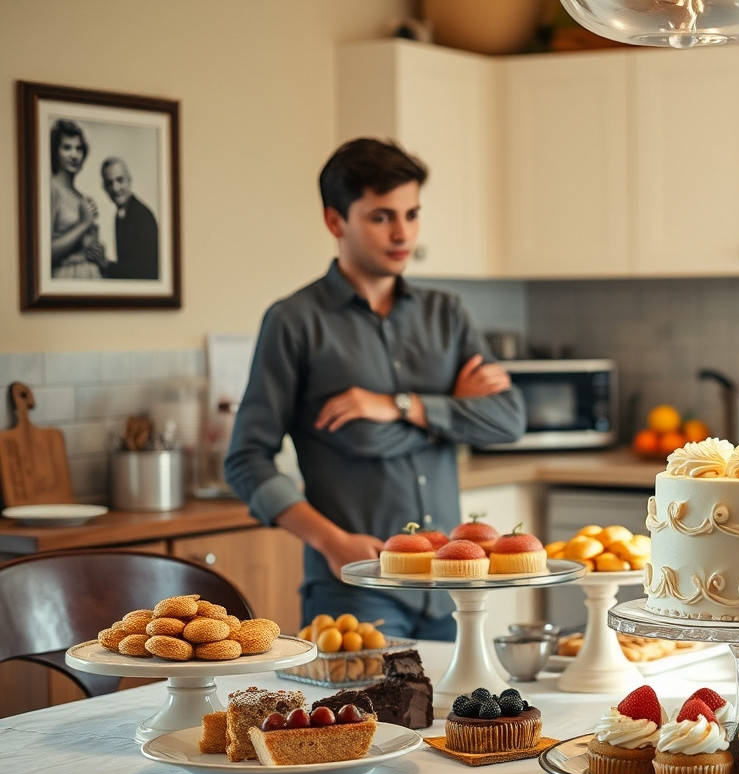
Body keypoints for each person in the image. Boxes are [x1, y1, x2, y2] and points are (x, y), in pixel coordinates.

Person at [225, 138, 526, 639]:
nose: (401, 232)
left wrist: (397, 407)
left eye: (412, 214)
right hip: (355, 588)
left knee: (460, 719)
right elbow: (245, 459)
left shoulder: (446, 314)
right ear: (335, 221)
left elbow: (508, 419)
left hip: (451, 591)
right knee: (357, 721)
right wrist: (332, 540)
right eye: (381, 216)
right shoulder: (293, 321)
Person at [48, 119, 105, 281]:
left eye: (79, 149)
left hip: (91, 278)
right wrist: (84, 224)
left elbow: (87, 248)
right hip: (66, 278)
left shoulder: (82, 197)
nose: (74, 155)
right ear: (55, 151)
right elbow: (44, 253)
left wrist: (100, 255)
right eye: (67, 147)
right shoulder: (51, 190)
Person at [99, 157, 160, 280]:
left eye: (120, 180)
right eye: (109, 183)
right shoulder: (119, 215)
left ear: (129, 181)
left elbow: (147, 271)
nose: (115, 188)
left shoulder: (143, 217)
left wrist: (106, 264)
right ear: (104, 188)